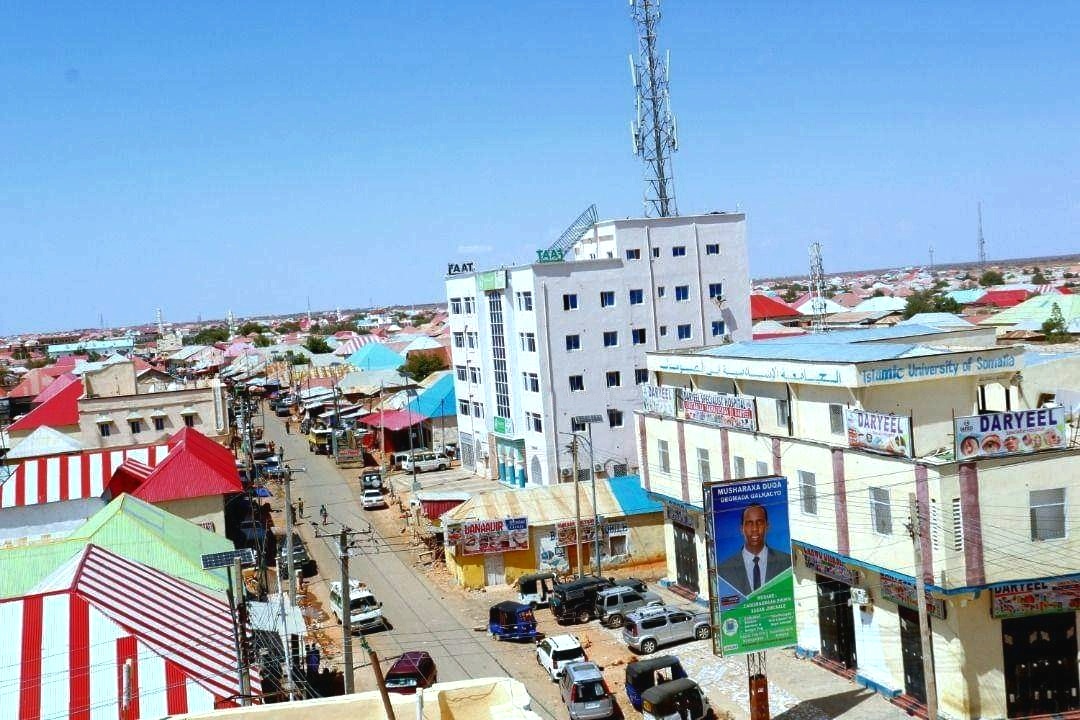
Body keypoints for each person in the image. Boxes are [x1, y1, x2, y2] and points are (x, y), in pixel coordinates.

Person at [715, 503, 792, 597]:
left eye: (759, 523)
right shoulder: (724, 570)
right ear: (741, 529)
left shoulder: (787, 562)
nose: (755, 529)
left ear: (767, 527)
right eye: (749, 523)